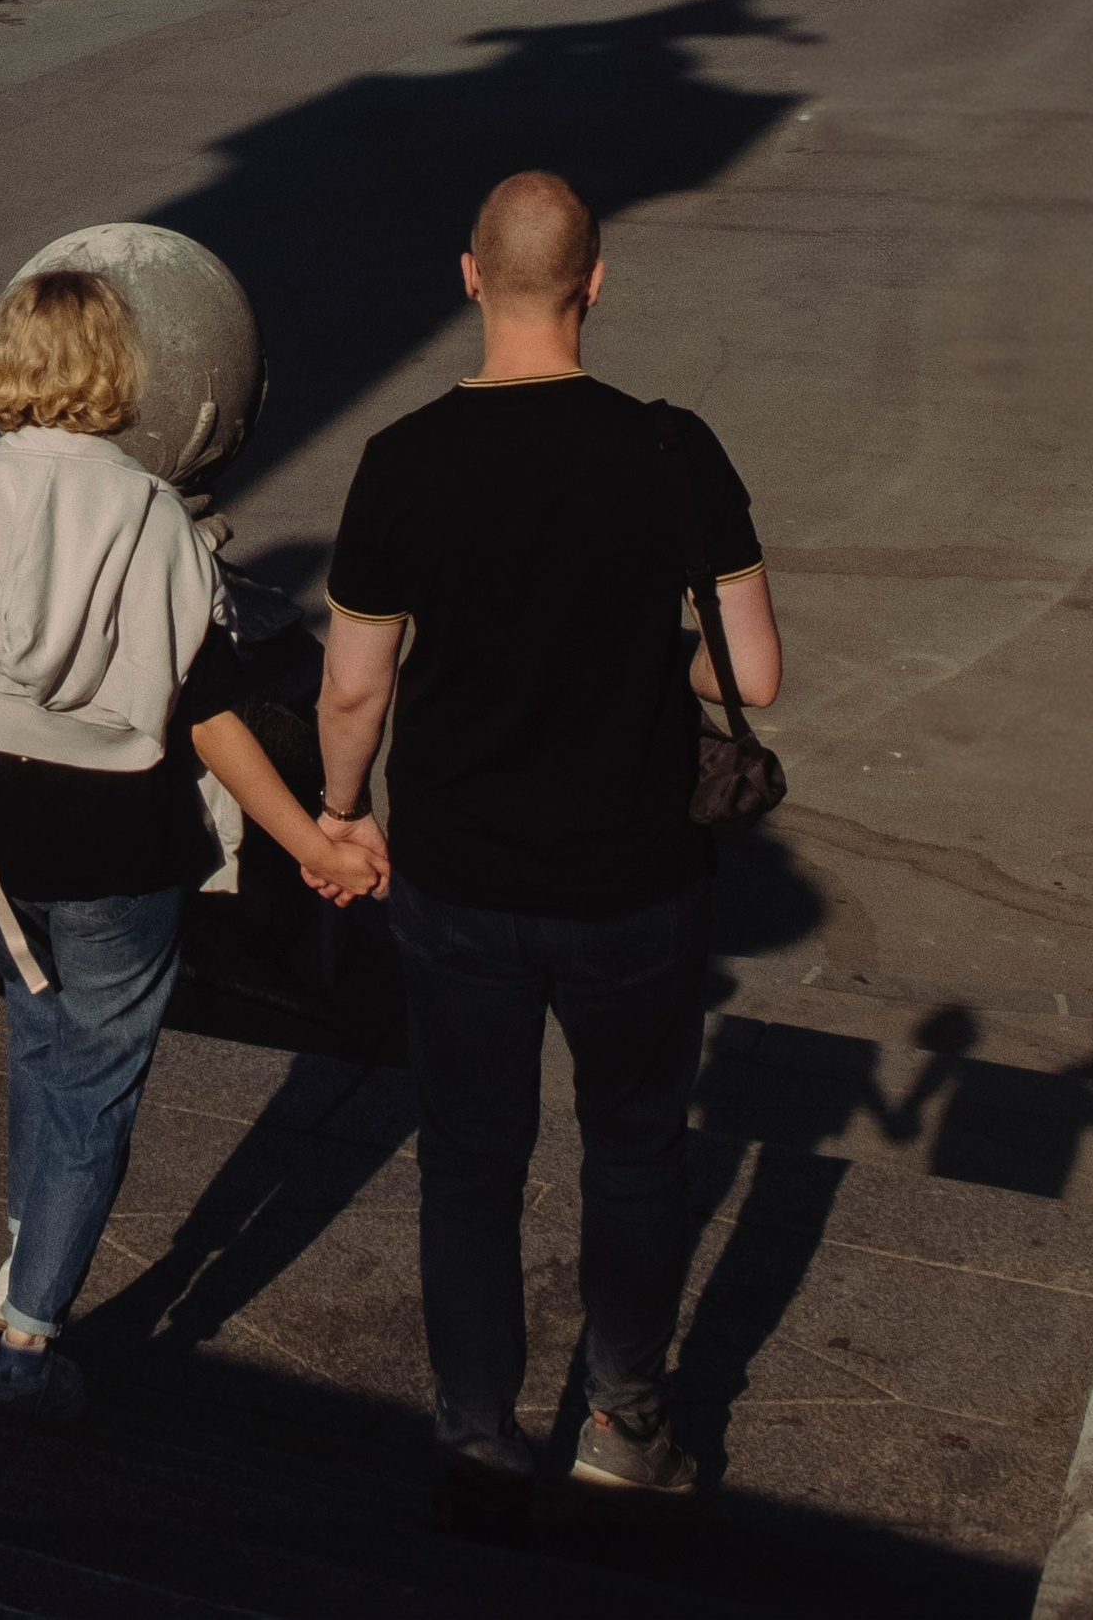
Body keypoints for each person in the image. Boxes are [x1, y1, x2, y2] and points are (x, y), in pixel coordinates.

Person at [311, 172, 781, 1502]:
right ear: (597, 280)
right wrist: (640, 641)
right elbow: (753, 662)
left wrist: (344, 812)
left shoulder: (401, 456)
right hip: (634, 872)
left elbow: (355, 683)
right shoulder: (672, 449)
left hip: (459, 870)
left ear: (471, 276)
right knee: (634, 1142)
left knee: (471, 1150)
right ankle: (625, 1424)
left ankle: (475, 1425)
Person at [0, 266, 385, 1425]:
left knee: (39, 1035)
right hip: (112, 844)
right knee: (96, 1081)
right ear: (118, 371)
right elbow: (206, 715)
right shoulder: (147, 514)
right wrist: (312, 843)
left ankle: (18, 1262)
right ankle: (33, 1337)